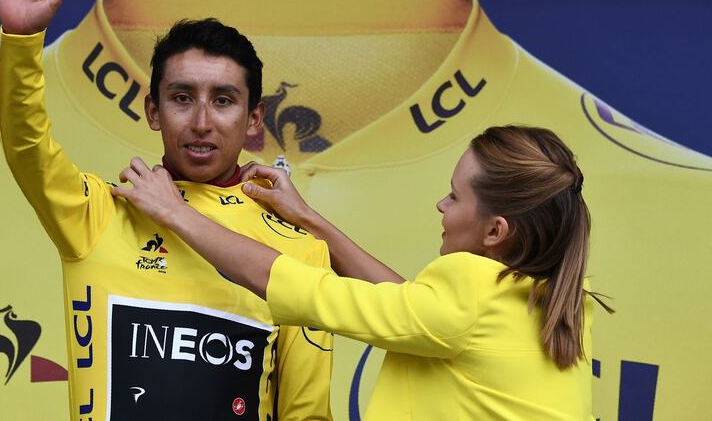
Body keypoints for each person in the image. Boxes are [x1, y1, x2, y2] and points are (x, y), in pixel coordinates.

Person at [0, 0, 333, 420]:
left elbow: (306, 414)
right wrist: (22, 39)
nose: (201, 121)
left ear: (255, 119)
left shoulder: (299, 250)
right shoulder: (98, 215)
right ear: (153, 110)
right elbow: (26, 147)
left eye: (224, 100)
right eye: (182, 97)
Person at [113, 124, 613, 420]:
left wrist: (176, 213)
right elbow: (411, 307)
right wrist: (307, 218)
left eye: (456, 196)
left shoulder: (470, 291)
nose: (441, 204)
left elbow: (285, 283)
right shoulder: (561, 301)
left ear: (494, 231)